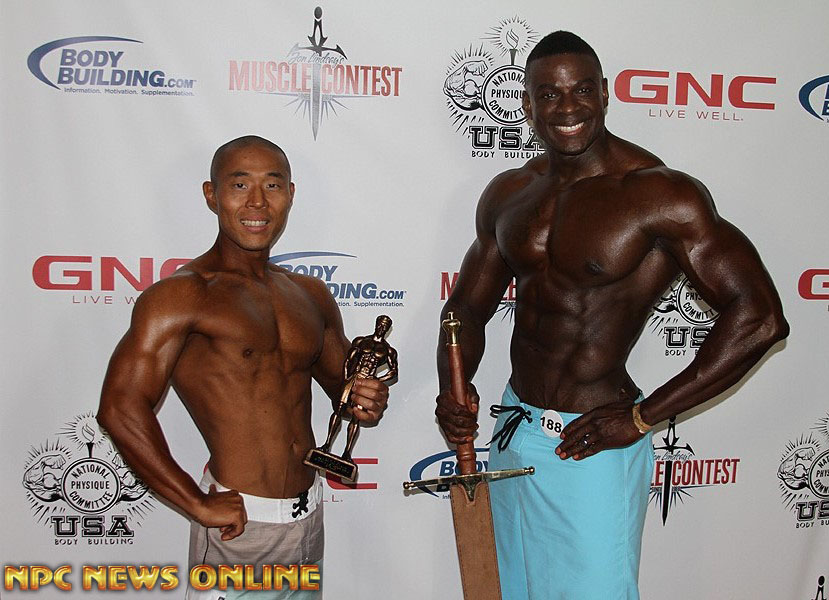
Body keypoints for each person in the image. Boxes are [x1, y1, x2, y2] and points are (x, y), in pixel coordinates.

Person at [435, 32, 788, 599]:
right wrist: (453, 388)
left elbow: (761, 317)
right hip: (513, 428)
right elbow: (465, 309)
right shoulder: (510, 192)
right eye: (548, 94)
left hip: (592, 445)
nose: (566, 108)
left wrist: (644, 417)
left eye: (581, 91)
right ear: (526, 104)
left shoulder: (659, 194)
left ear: (604, 93)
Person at [97, 135, 389, 592]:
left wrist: (366, 398)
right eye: (239, 185)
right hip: (240, 527)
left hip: (308, 515)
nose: (257, 202)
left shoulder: (310, 295)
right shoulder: (183, 295)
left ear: (290, 194)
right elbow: (119, 407)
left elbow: (345, 394)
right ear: (211, 195)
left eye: (272, 185)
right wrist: (195, 502)